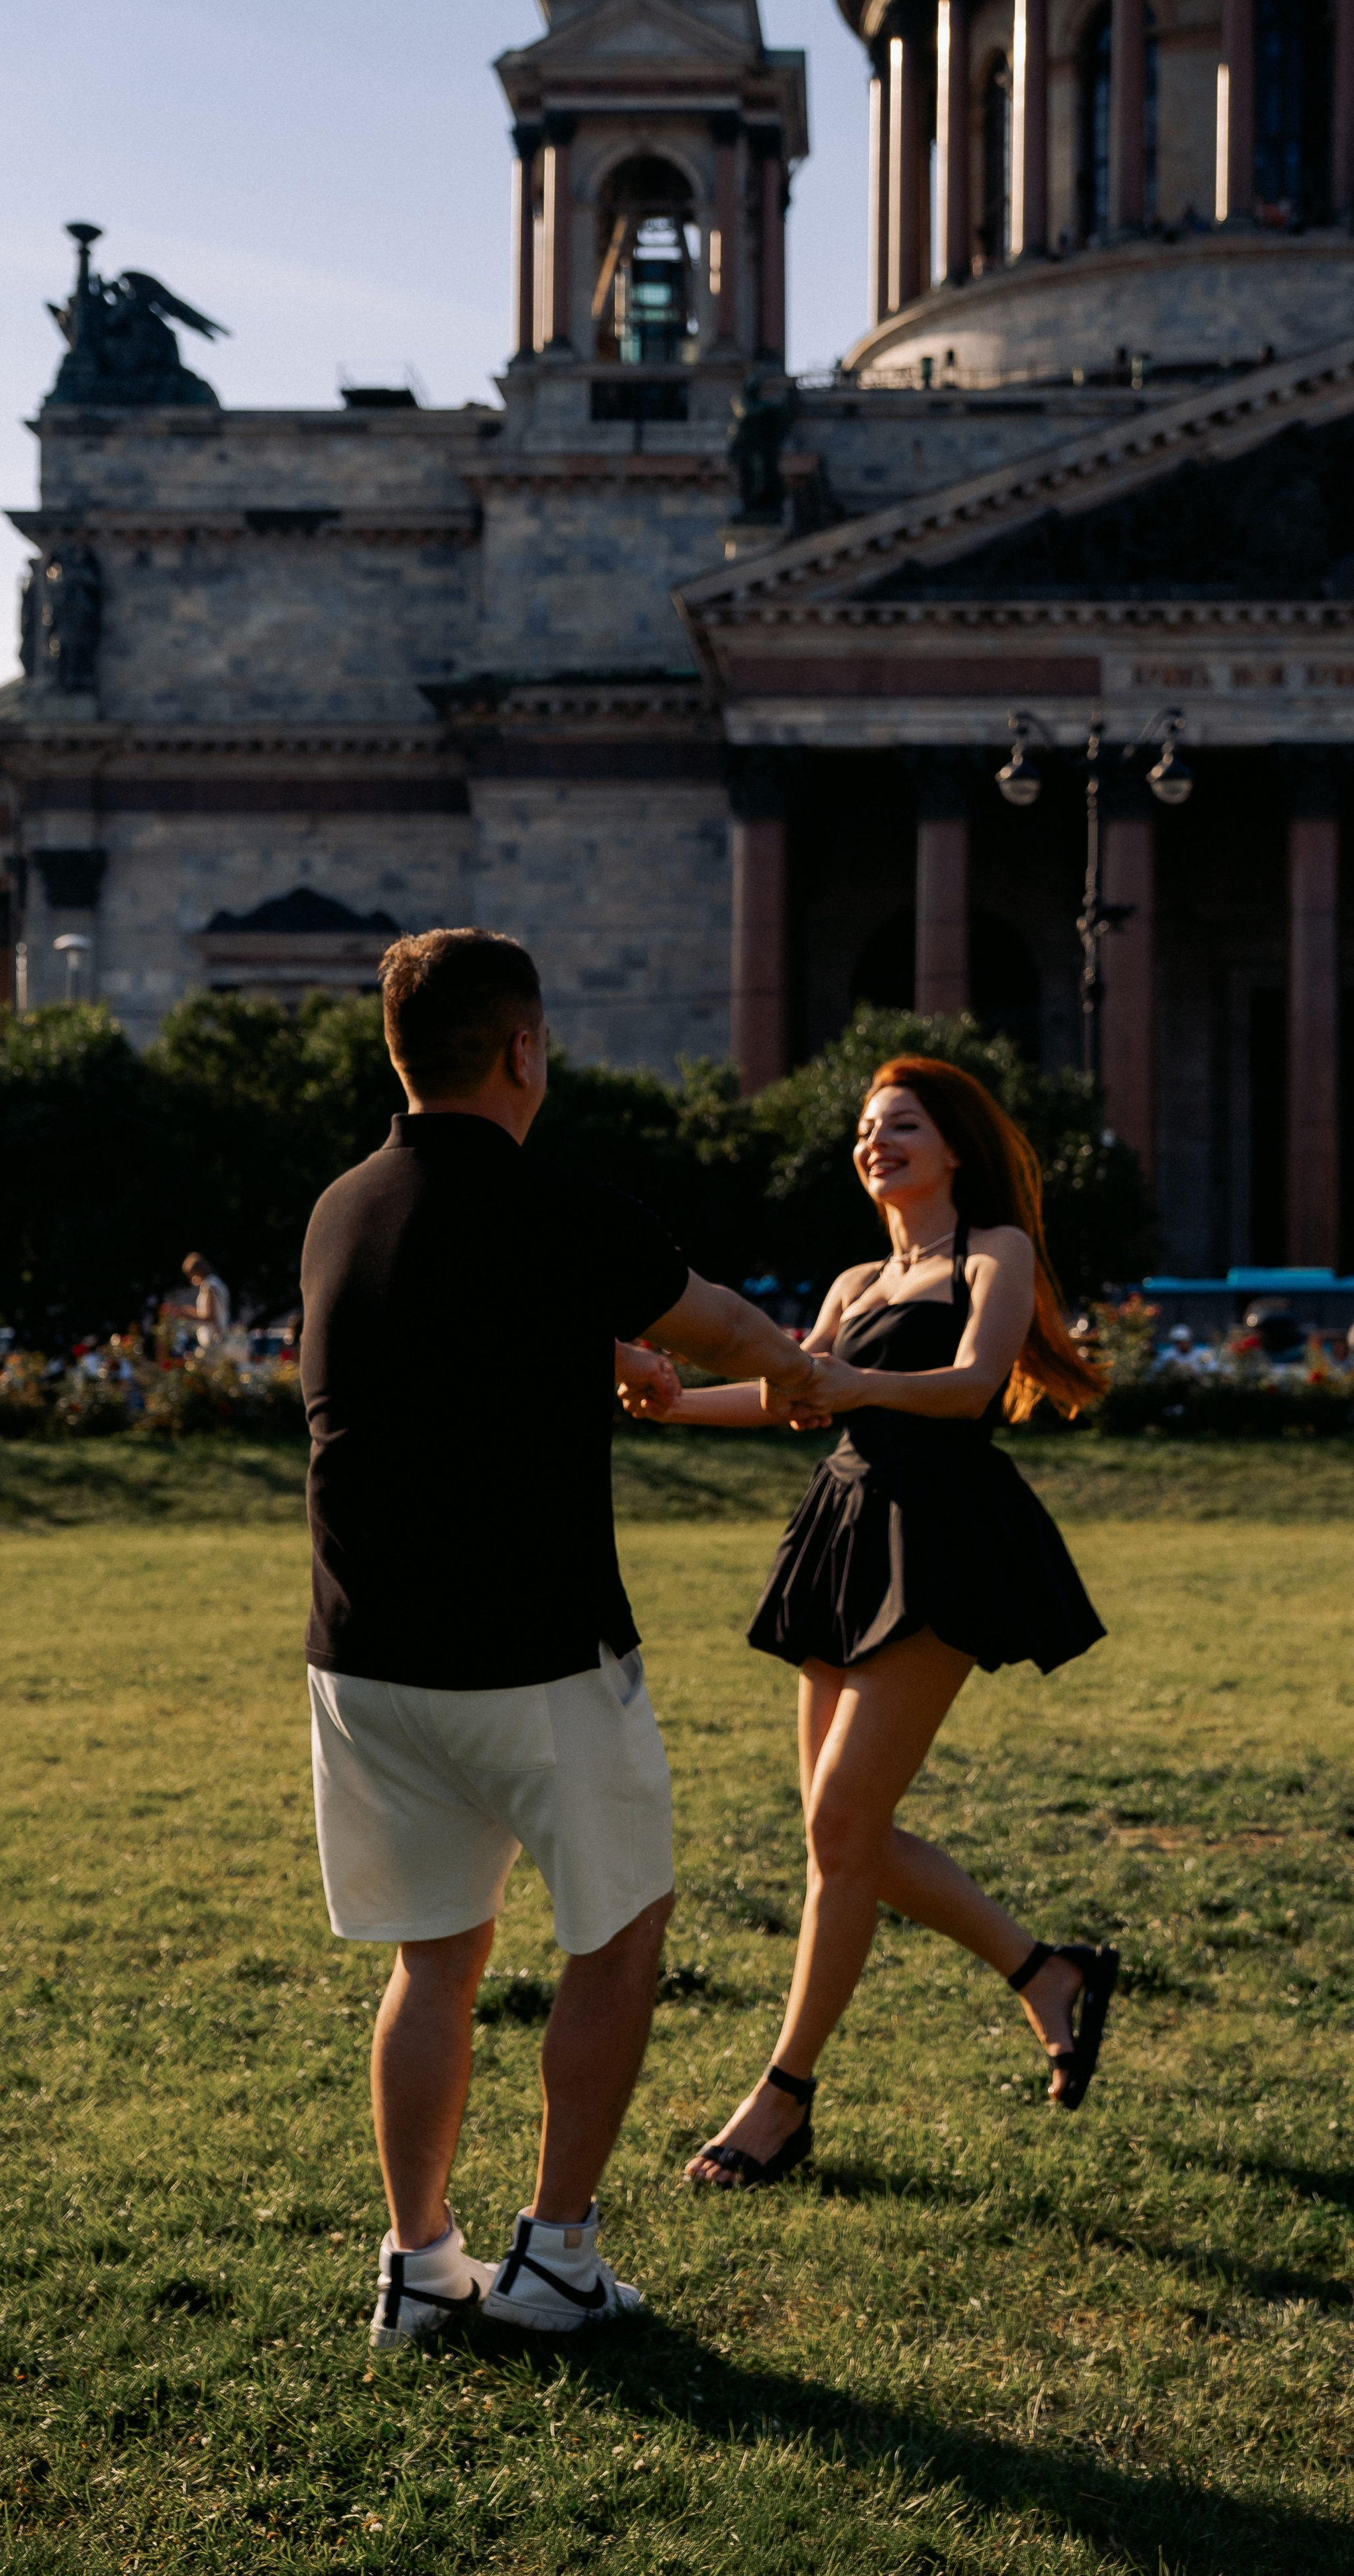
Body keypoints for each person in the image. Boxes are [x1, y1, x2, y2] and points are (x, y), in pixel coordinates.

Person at [299, 927, 830, 2349]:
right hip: (536, 1656)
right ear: (523, 1051)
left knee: (433, 1958)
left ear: (401, 1055)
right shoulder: (566, 1212)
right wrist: (795, 1369)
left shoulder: (340, 1210)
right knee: (618, 1932)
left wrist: (606, 1356)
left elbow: (446, 1325)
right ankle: (557, 2260)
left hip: (362, 1663)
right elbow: (718, 1322)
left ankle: (419, 2267)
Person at [629, 1057, 1116, 2188]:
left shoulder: (993, 1253)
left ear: (952, 1149)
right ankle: (1050, 1975)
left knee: (845, 1819)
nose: (876, 1142)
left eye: (900, 1125)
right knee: (838, 1836)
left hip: (943, 1534)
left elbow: (974, 1383)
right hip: (845, 1529)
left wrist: (854, 1389)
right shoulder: (854, 1281)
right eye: (864, 1128)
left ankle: (783, 2098)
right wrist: (670, 1397)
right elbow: (788, 1391)